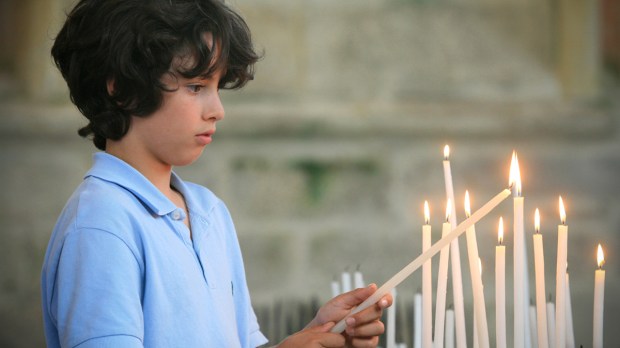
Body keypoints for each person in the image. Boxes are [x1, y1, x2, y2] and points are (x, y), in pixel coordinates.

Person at [40, 0, 392, 347]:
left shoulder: (209, 211)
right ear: (119, 88)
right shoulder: (101, 223)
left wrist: (320, 333)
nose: (217, 110)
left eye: (217, 87)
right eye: (196, 87)